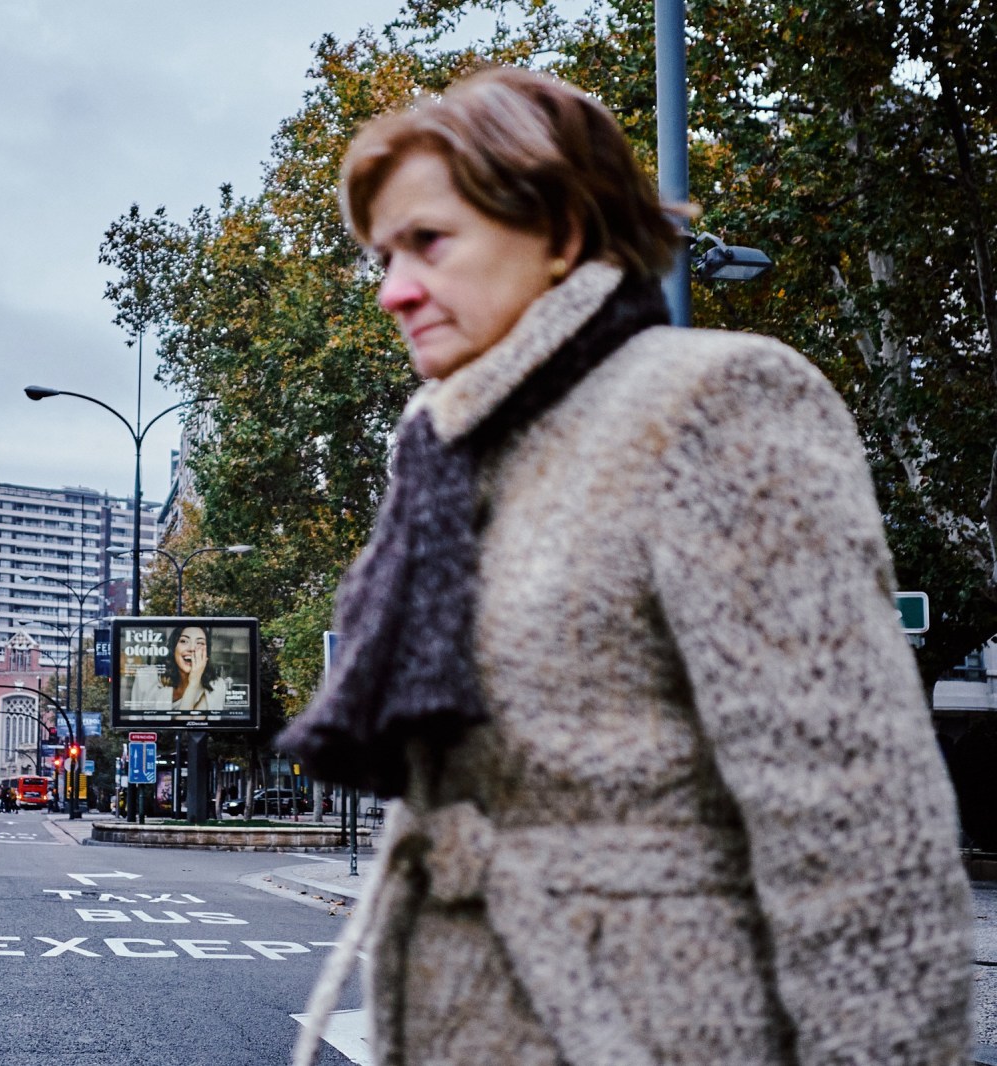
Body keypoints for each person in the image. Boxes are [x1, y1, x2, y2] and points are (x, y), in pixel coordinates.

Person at [281, 66, 970, 1066]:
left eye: (428, 241)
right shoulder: (444, 445)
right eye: (380, 255)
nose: (392, 289)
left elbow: (855, 827)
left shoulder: (717, 402)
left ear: (560, 232)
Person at [129, 625, 230, 712]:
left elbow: (188, 724)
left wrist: (194, 683)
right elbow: (135, 724)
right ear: (173, 648)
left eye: (200, 643)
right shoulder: (147, 676)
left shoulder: (216, 686)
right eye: (184, 641)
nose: (192, 648)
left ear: (206, 653)